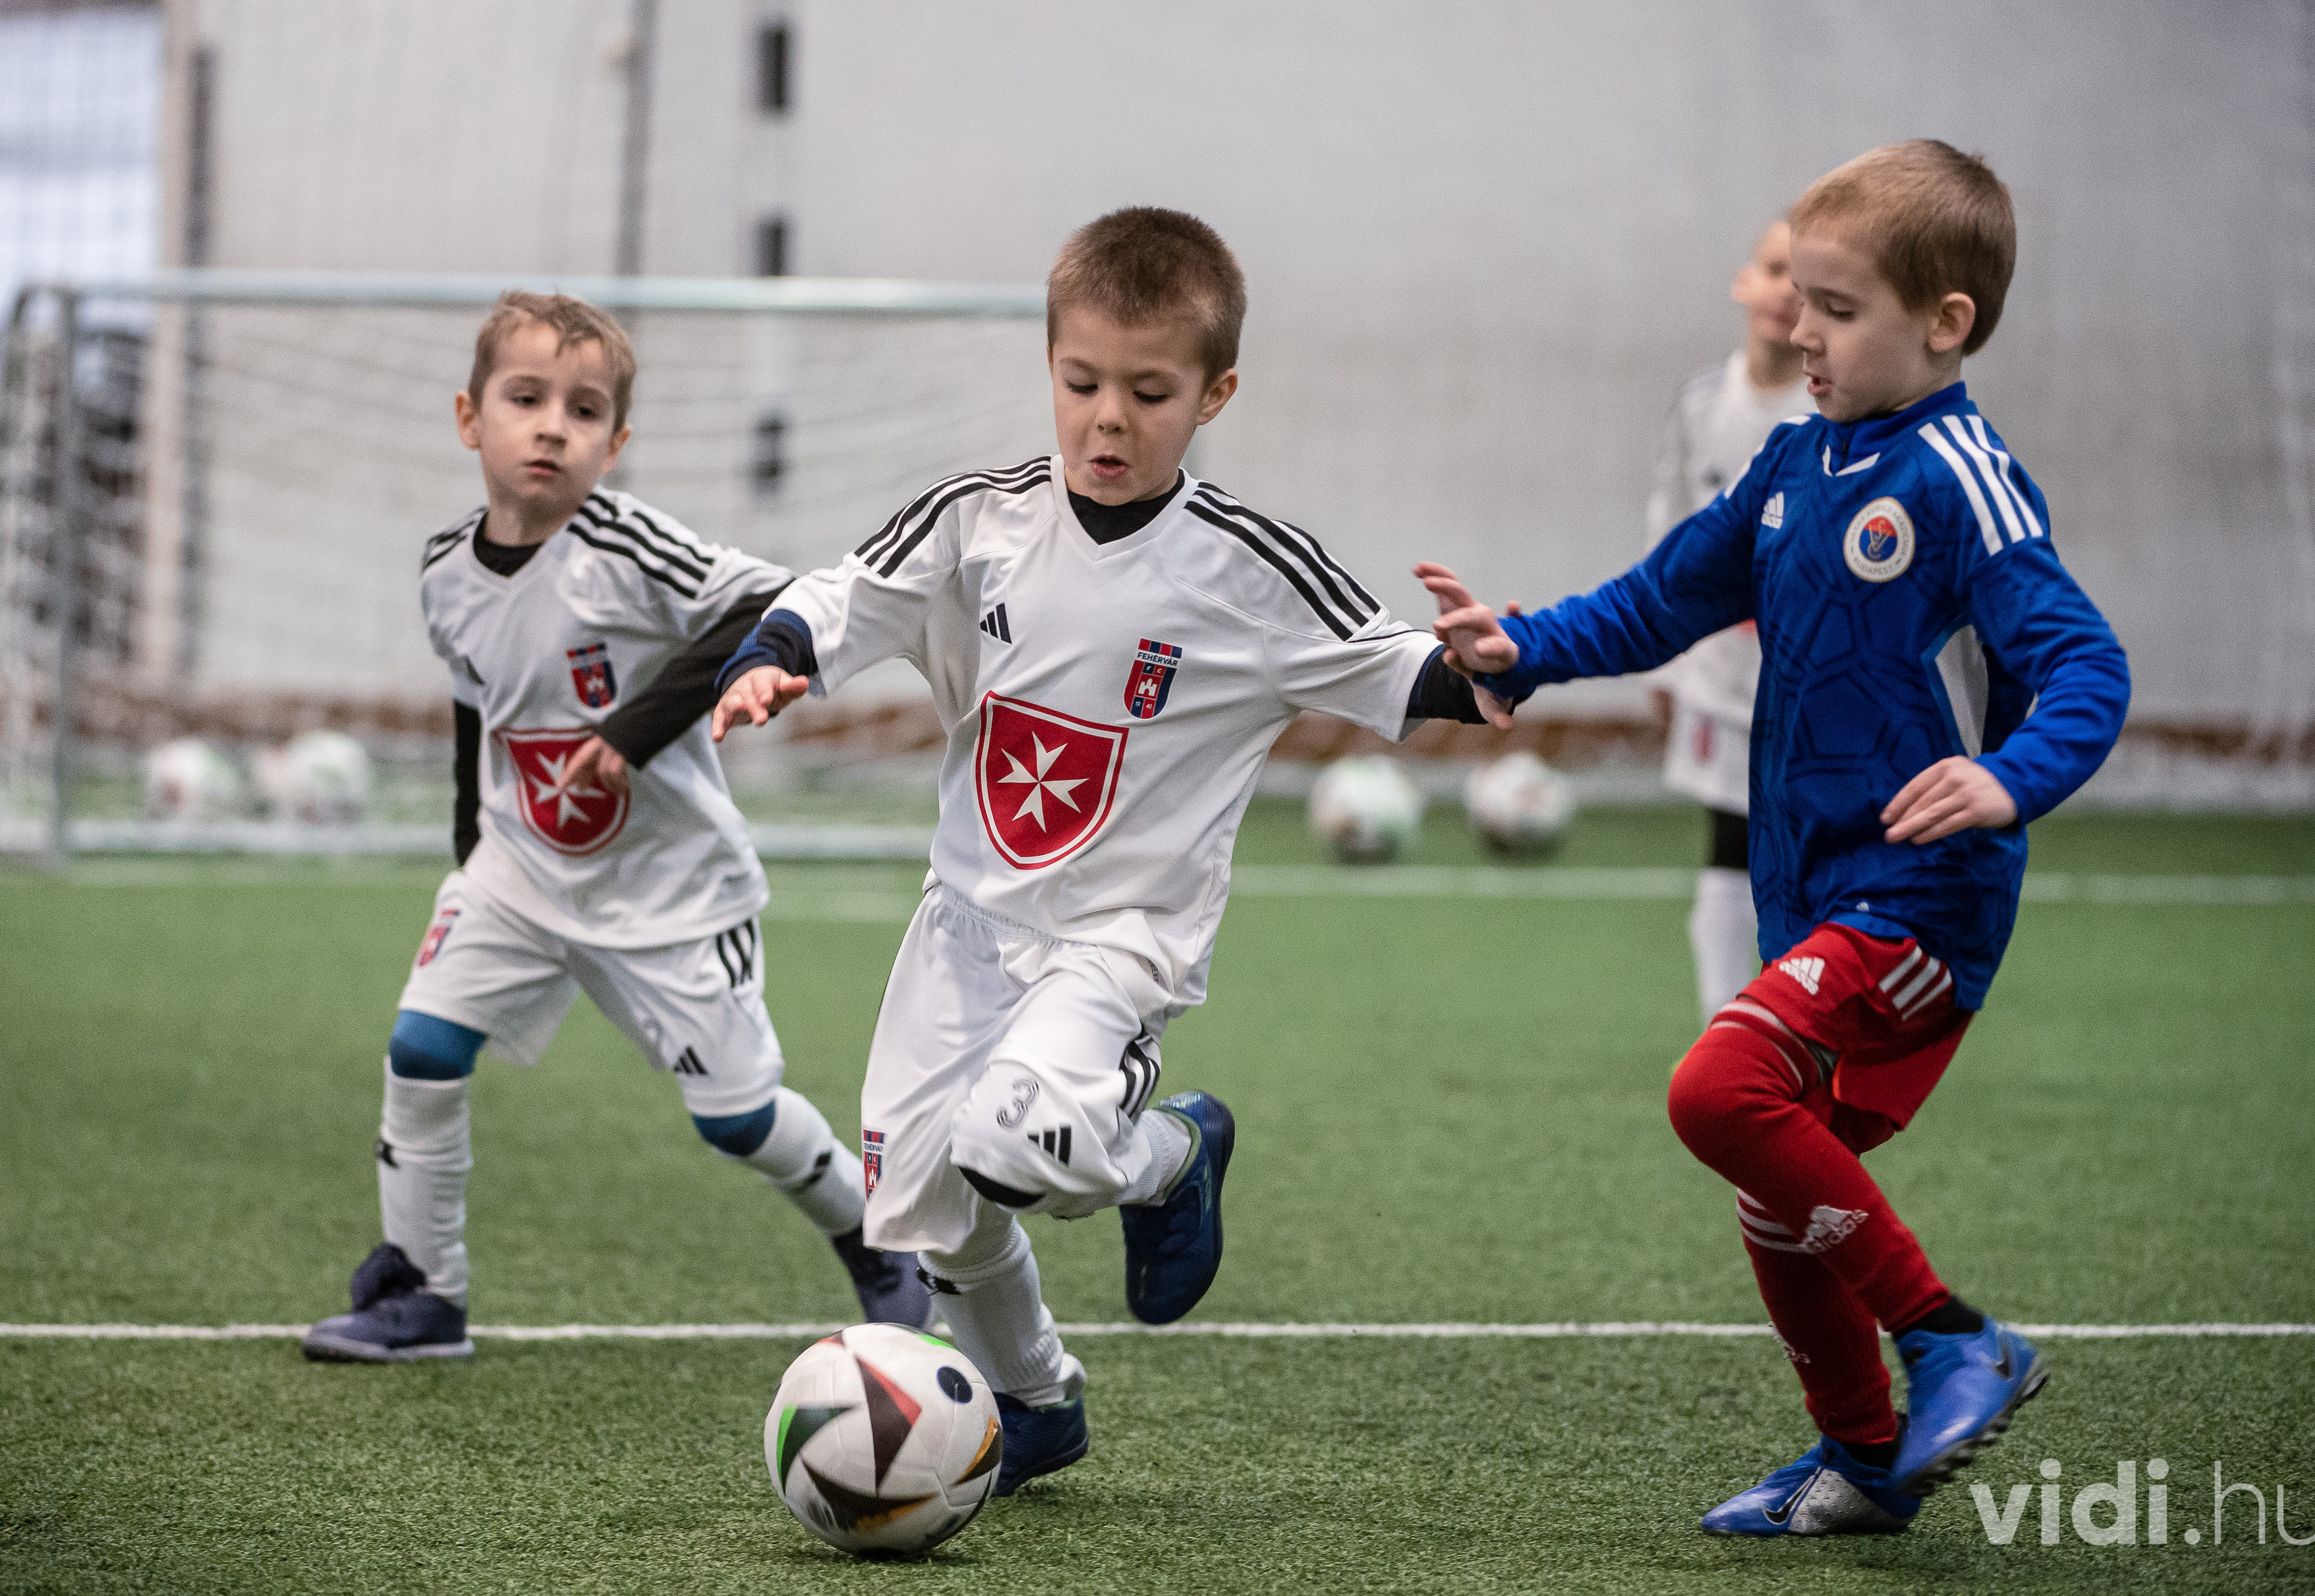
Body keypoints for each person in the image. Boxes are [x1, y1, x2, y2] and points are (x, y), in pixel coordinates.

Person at [713, 208, 1508, 1496]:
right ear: (1050, 365)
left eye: (1149, 392)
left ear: (1214, 394)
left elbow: (1401, 668)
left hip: (1120, 938)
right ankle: (1037, 1404)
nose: (1108, 420)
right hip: (967, 923)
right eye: (1082, 383)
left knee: (1015, 1140)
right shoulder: (979, 524)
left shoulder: (1247, 571)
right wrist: (776, 657)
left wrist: (1487, 666)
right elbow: (847, 592)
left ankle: (1172, 1160)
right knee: (928, 1207)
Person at [1419, 142, 2129, 1535]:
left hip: (1921, 896)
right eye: (1800, 296)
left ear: (1946, 323)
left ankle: (1953, 1341)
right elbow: (1663, 597)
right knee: (1774, 1178)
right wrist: (1526, 648)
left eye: (1838, 308)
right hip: (1810, 890)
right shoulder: (1798, 460)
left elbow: (2085, 662)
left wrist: (2009, 780)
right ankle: (1864, 1458)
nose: (1801, 329)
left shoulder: (1962, 478)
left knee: (1717, 1092)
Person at [302, 293, 927, 1363]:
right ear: (470, 418)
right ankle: (425, 1291)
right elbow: (477, 709)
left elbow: (768, 603)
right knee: (423, 1049)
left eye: (584, 410)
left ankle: (877, 1239)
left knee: (736, 1119)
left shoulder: (626, 545)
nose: (553, 426)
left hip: (668, 890)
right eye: (526, 399)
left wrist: (629, 734)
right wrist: (473, 855)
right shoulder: (445, 571)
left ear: (616, 443)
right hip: (518, 870)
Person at [1645, 219, 1814, 1019]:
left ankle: (1805, 1019)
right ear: (1744, 282)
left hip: (1811, 676)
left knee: (1806, 851)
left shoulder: (1832, 413)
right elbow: (1670, 530)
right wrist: (1663, 657)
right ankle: (1725, 1026)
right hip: (1720, 673)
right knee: (1728, 843)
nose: (1788, 292)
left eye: (1808, 282)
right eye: (1776, 269)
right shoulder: (1702, 404)